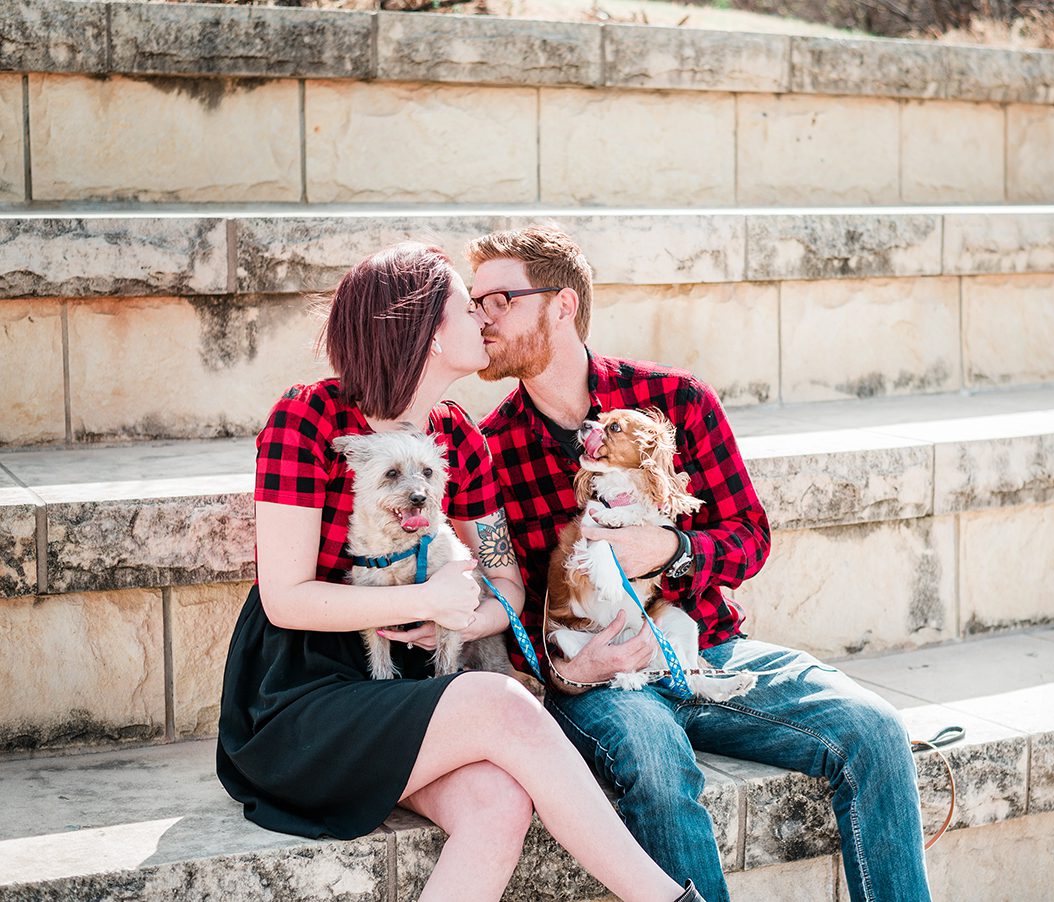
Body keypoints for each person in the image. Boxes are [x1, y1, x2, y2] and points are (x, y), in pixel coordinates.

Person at [216, 241, 705, 902]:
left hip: (418, 687)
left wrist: (460, 613)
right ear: (425, 330)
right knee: (501, 702)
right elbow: (285, 598)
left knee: (499, 804)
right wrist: (420, 599)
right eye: (464, 307)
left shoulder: (460, 437)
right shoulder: (308, 419)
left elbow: (504, 583)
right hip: (306, 694)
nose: (482, 318)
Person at [468, 226, 934, 902]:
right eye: (475, 301)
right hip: (603, 681)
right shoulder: (492, 451)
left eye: (500, 299)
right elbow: (507, 607)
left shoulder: (676, 401)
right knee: (657, 764)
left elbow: (750, 535)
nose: (482, 317)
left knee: (874, 730)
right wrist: (567, 673)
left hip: (710, 648)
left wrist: (673, 551)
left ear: (562, 305)